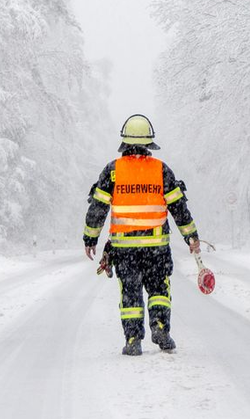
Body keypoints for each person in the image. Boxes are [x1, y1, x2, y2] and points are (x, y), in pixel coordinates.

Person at [83, 114, 200, 355]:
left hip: (125, 249)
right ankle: (160, 328)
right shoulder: (160, 170)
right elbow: (179, 208)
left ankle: (133, 339)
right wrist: (191, 236)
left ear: (124, 142)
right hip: (156, 248)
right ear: (149, 143)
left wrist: (90, 239)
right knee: (159, 289)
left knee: (130, 293)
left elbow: (97, 208)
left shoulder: (113, 171)